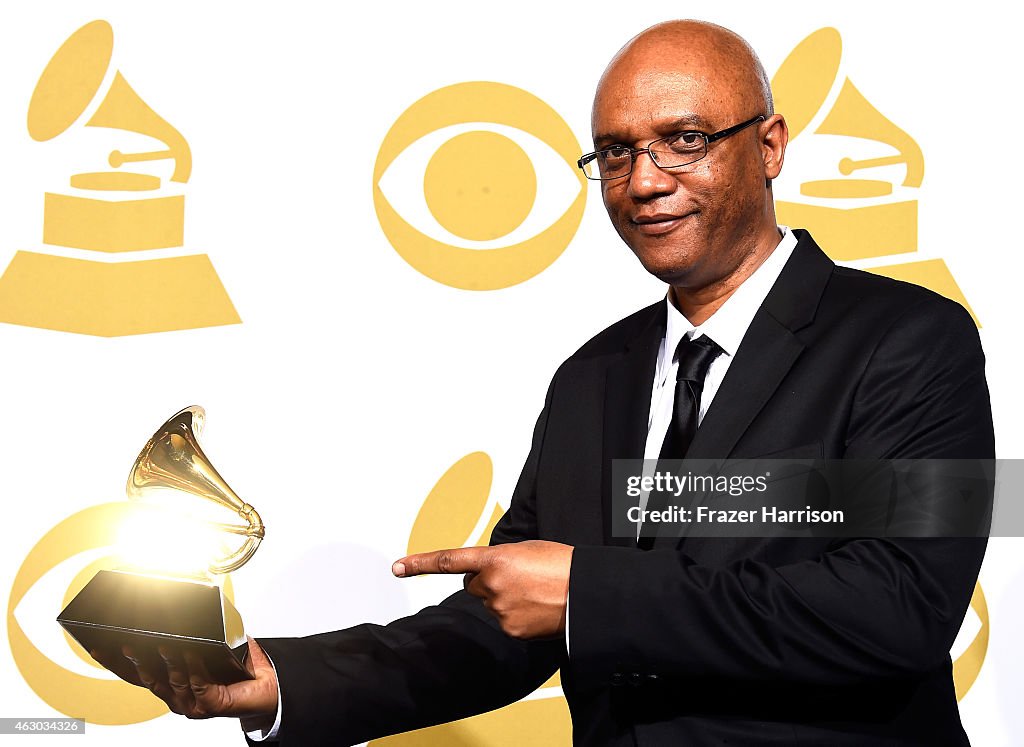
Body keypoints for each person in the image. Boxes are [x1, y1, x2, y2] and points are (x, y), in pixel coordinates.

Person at [94, 19, 993, 746]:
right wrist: (279, 680)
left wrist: (593, 594)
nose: (644, 182)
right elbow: (505, 625)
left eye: (683, 141)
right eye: (614, 152)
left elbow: (900, 606)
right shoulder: (590, 379)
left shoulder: (913, 339)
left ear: (769, 145)